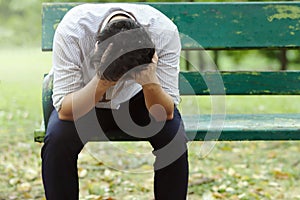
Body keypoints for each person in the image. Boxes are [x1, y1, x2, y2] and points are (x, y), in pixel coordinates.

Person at [41, 3, 189, 200]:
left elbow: (165, 114)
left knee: (173, 138)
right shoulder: (73, 30)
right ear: (96, 47)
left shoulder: (163, 32)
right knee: (57, 140)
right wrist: (104, 78)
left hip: (138, 98)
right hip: (84, 97)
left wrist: (150, 83)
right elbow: (65, 112)